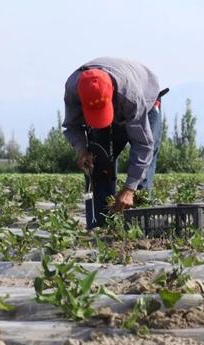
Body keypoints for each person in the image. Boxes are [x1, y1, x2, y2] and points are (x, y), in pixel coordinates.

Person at [62, 57, 166, 228]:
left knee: (142, 172)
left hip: (146, 100)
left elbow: (143, 145)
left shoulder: (130, 96)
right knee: (99, 161)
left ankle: (136, 227)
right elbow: (72, 125)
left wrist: (129, 188)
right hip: (115, 97)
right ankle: (104, 225)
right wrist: (81, 150)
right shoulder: (73, 89)